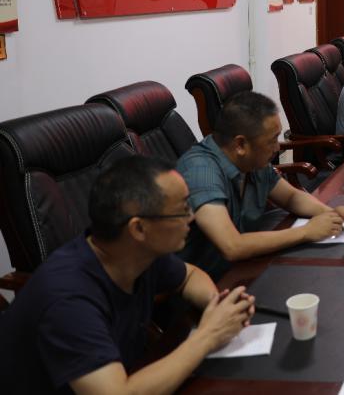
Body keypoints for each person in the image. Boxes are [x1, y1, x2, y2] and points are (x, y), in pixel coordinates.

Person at [0, 156, 255, 395]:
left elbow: (190, 275)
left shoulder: (134, 252)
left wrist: (215, 305)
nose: (191, 217)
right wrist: (209, 334)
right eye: (182, 210)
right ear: (139, 228)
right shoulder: (68, 300)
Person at [178, 92, 344, 279]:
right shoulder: (202, 172)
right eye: (272, 140)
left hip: (243, 266)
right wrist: (307, 231)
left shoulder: (250, 160)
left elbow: (291, 197)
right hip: (207, 282)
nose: (277, 148)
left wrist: (331, 214)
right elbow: (232, 246)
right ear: (240, 144)